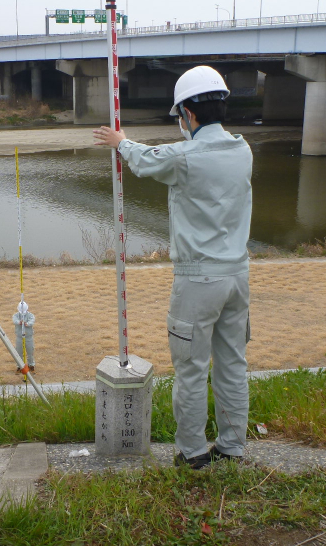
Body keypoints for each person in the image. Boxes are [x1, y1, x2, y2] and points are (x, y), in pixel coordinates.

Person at [93, 65, 252, 470]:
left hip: (198, 279)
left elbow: (147, 161)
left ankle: (192, 451)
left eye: (180, 115)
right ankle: (233, 446)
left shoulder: (185, 157)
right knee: (233, 364)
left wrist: (120, 142)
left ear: (189, 114)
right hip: (237, 275)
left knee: (192, 369)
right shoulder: (242, 150)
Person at [12, 301, 36, 373]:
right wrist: (19, 322)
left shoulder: (31, 315)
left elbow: (32, 321)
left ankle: (31, 365)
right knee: (19, 353)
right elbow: (15, 321)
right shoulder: (15, 315)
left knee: (30, 352)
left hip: (28, 337)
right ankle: (19, 366)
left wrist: (27, 323)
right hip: (19, 337)